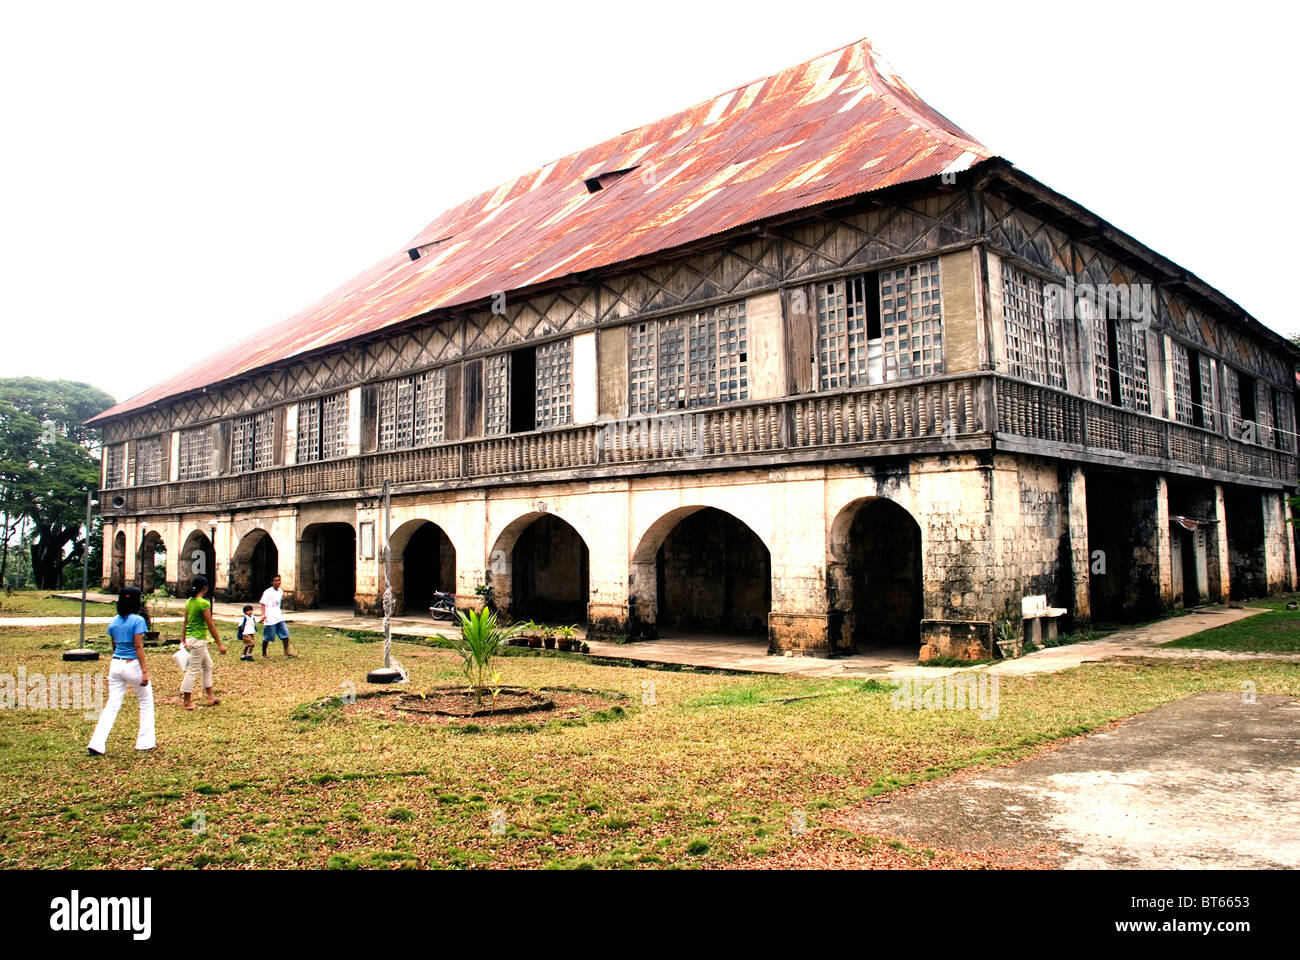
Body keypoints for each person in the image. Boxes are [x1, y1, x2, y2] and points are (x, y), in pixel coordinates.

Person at [87, 587, 156, 755]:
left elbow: (115, 645)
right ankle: (145, 742)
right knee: (146, 701)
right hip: (132, 664)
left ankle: (96, 743)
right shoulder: (138, 621)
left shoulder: (114, 622)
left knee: (112, 704)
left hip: (116, 665)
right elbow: (138, 646)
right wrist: (144, 671)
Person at [181, 575, 226, 709]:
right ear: (205, 588)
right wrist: (220, 644)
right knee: (193, 670)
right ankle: (187, 701)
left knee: (208, 665)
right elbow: (211, 625)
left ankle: (210, 696)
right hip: (198, 639)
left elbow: (185, 621)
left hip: (191, 638)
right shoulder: (203, 603)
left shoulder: (189, 601)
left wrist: (183, 639)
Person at [259, 574, 294, 658]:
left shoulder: (280, 591)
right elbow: (263, 604)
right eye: (276, 580)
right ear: (272, 582)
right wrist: (263, 615)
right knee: (267, 636)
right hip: (270, 618)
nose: (278, 582)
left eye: (279, 580)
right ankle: (264, 653)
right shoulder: (268, 592)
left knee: (285, 634)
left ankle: (286, 652)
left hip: (279, 617)